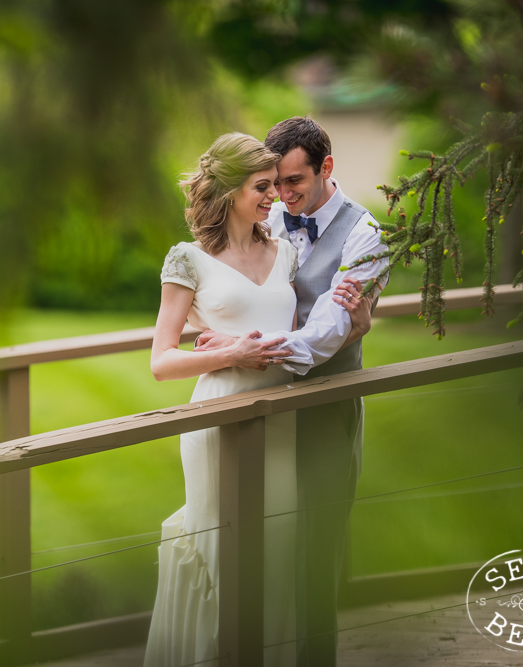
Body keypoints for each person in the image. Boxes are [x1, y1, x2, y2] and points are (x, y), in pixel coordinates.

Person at [144, 130, 372, 666]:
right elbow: (161, 361)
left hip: (282, 420)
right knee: (223, 555)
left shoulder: (285, 254)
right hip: (219, 420)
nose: (275, 198)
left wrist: (356, 329)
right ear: (227, 191)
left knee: (278, 553)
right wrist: (230, 356)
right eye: (262, 187)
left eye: (276, 185)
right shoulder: (187, 260)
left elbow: (295, 339)